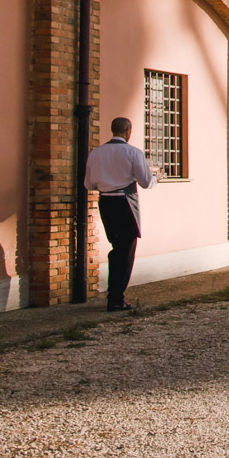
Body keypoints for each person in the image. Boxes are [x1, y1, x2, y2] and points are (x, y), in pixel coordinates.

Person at [84, 116, 156, 312]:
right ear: (129, 131)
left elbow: (88, 184)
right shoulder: (132, 152)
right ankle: (116, 298)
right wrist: (154, 177)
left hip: (105, 202)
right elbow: (145, 182)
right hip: (125, 203)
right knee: (125, 251)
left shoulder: (96, 153)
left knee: (117, 247)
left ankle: (114, 293)